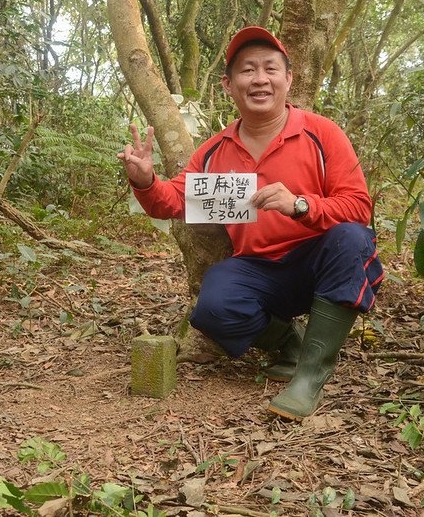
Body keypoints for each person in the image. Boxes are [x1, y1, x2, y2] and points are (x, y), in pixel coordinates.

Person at [118, 26, 384, 421]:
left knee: (351, 237)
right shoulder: (214, 151)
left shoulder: (321, 133)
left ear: (288, 79)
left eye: (270, 69)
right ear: (228, 84)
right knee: (211, 309)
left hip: (319, 261)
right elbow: (175, 201)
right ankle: (290, 347)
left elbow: (359, 207)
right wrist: (145, 180)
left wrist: (299, 205)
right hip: (259, 268)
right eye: (247, 70)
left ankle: (310, 377)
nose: (259, 79)